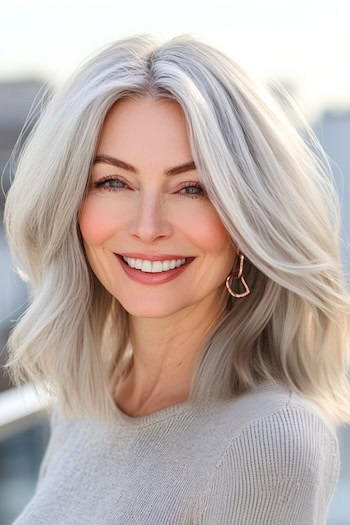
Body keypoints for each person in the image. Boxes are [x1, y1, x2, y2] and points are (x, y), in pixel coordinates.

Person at [4, 33, 350, 524]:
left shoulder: (269, 441)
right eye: (113, 182)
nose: (148, 227)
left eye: (192, 188)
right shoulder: (85, 403)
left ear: (247, 220)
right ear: (71, 205)